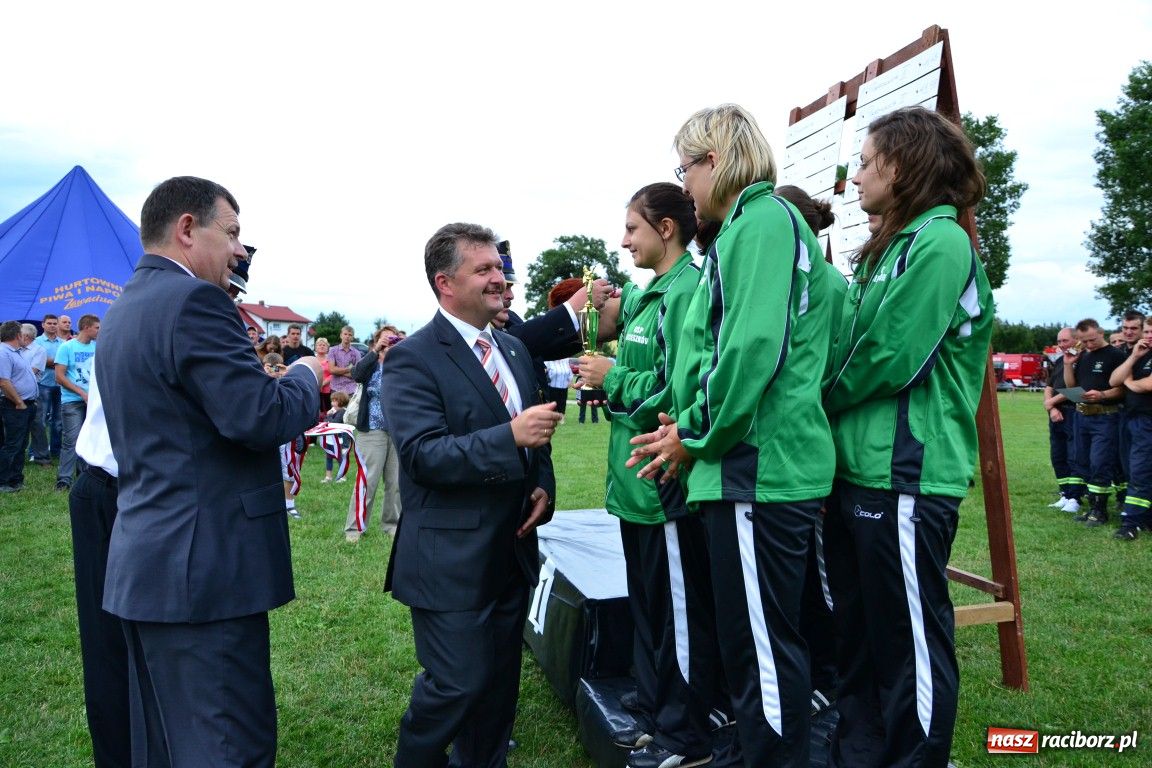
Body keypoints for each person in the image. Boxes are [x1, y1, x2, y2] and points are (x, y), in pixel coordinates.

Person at [629, 104, 845, 767]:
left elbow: (752, 349)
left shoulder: (760, 223)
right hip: (749, 467)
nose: (685, 186)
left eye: (685, 168)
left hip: (758, 469)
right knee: (754, 641)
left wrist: (694, 432)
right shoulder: (751, 227)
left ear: (714, 161)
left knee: (762, 647)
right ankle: (757, 750)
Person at [97, 175, 322, 766]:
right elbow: (256, 415)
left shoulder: (123, 309)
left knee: (169, 743)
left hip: (153, 565)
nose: (240, 251)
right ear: (188, 229)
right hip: (206, 574)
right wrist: (304, 374)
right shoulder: (195, 301)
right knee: (227, 744)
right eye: (233, 233)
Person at [819, 106, 993, 768]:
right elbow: (846, 340)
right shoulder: (886, 247)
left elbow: (890, 355)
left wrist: (816, 398)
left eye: (865, 162)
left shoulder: (941, 241)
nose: (856, 175)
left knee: (908, 638)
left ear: (903, 163)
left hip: (907, 475)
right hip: (856, 471)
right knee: (857, 636)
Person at [382, 222, 560, 768]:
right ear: (445, 282)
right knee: (456, 686)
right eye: (483, 269)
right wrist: (509, 438)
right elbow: (423, 456)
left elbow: (538, 442)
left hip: (510, 553)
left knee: (497, 695)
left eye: (499, 269)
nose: (499, 279)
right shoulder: (413, 358)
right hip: (449, 562)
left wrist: (541, 485)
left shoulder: (511, 347)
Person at [578, 183, 717, 768]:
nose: (623, 240)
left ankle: (685, 733)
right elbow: (615, 329)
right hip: (633, 483)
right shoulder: (648, 294)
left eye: (632, 228)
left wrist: (611, 378)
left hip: (665, 484)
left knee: (678, 613)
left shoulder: (690, 290)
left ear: (666, 229)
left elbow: (676, 390)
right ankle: (654, 699)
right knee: (648, 604)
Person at [68, 366, 131, 766]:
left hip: (118, 488)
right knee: (109, 642)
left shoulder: (131, 319)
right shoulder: (171, 319)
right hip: (114, 489)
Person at [1062, 318, 1126, 526]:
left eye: (1091, 340)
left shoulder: (1116, 355)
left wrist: (1102, 395)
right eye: (1083, 341)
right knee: (1084, 462)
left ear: (1101, 332)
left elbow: (1123, 387)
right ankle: (1091, 507)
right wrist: (1068, 365)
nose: (1088, 345)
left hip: (1105, 416)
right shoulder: (1085, 356)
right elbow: (1072, 385)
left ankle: (1100, 511)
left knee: (1100, 462)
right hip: (1082, 416)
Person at [344, 326, 403, 542]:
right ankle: (355, 528)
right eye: (384, 339)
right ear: (377, 341)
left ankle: (392, 525)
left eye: (392, 338)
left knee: (396, 483)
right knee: (367, 480)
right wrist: (375, 351)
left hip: (397, 431)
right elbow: (356, 374)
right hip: (372, 430)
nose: (389, 342)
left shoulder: (402, 363)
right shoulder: (370, 364)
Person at [1110, 316, 1152, 540]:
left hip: (1147, 420)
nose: (1148, 336)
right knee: (1130, 468)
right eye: (1146, 332)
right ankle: (1145, 517)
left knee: (1140, 470)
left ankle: (1131, 522)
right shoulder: (1139, 354)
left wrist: (1130, 383)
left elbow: (1147, 385)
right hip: (1130, 418)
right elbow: (1113, 379)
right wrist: (1134, 356)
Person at [55, 313, 100, 491]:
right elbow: (59, 376)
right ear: (86, 327)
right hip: (73, 400)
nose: (99, 331)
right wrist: (81, 393)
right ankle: (64, 480)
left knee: (89, 439)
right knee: (71, 440)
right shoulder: (67, 347)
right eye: (97, 327)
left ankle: (84, 477)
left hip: (93, 401)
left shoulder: (97, 347)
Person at [1043, 328, 1083, 513]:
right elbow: (1049, 386)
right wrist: (1051, 407)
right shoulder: (1061, 360)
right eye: (1059, 341)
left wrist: (1052, 402)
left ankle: (1075, 497)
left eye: (1065, 341)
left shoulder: (1082, 359)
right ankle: (1065, 494)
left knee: (1073, 456)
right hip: (1056, 414)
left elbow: (1078, 390)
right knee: (1058, 456)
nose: (1061, 345)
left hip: (1073, 412)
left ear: (1076, 339)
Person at [0, 320, 38, 493]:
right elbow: (4, 382)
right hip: (15, 406)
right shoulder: (4, 353)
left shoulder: (15, 352)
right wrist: (19, 401)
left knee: (21, 443)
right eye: (23, 335)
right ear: (17, 335)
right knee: (13, 444)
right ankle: (4, 481)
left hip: (26, 404)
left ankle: (16, 479)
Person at [32, 313, 64, 464]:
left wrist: (52, 362)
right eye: (49, 323)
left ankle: (56, 451)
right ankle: (35, 451)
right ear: (43, 325)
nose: (52, 326)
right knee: (40, 420)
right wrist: (58, 364)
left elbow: (65, 362)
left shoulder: (64, 343)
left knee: (58, 421)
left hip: (60, 385)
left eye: (54, 323)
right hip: (42, 384)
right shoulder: (36, 342)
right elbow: (38, 362)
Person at [322, 390, 351, 483]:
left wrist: (329, 416)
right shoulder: (333, 411)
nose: (332, 403)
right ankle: (328, 476)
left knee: (340, 458)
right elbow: (325, 421)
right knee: (329, 457)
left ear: (341, 402)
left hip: (339, 440)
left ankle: (343, 476)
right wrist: (328, 416)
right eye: (332, 401)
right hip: (330, 439)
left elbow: (334, 423)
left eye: (335, 401)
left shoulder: (342, 412)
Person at [329, 325, 363, 397]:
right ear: (341, 335)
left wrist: (338, 371)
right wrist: (349, 369)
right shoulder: (332, 350)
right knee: (336, 409)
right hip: (336, 389)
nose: (347, 336)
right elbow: (331, 370)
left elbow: (357, 374)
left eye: (350, 335)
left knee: (351, 409)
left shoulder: (357, 353)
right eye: (345, 334)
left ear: (352, 338)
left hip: (351, 390)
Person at [315, 336, 334, 414]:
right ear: (316, 347)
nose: (322, 346)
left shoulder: (331, 359)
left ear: (327, 348)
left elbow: (333, 374)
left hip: (328, 389)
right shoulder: (313, 359)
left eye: (324, 345)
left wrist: (323, 383)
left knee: (327, 410)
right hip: (315, 388)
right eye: (319, 345)